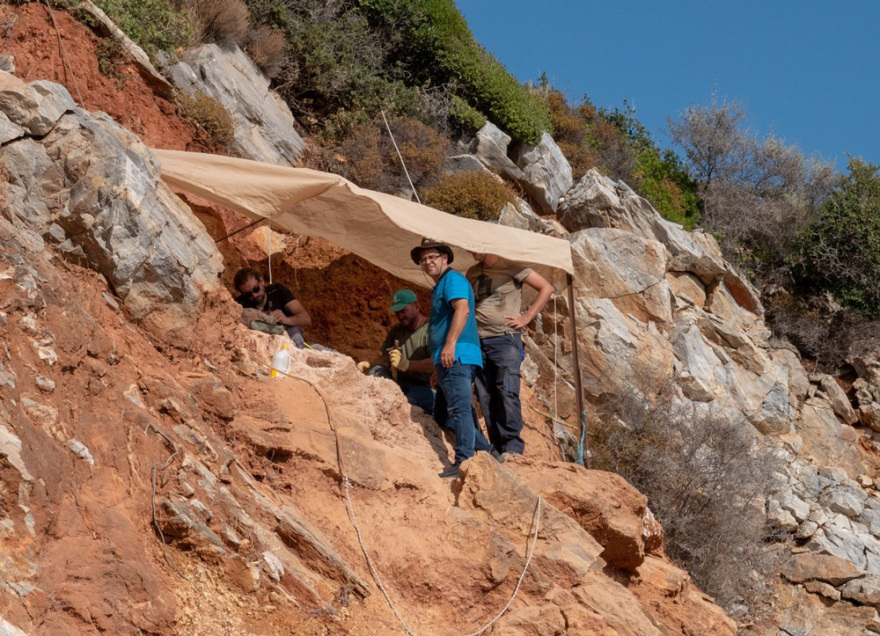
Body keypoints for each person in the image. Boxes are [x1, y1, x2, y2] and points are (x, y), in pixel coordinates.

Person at [411, 238, 496, 479]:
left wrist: (450, 345)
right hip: (447, 359)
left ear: (445, 258)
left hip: (457, 355)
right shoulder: (440, 285)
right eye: (424, 259)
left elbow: (463, 309)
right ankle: (488, 451)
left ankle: (463, 462)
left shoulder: (453, 279)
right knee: (444, 414)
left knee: (459, 409)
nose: (427, 262)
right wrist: (437, 366)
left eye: (432, 257)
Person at [466, 253, 554, 458]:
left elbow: (546, 287)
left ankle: (513, 447)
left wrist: (526, 317)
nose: (472, 251)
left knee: (505, 389)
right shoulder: (472, 272)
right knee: (485, 394)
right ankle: (497, 447)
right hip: (477, 340)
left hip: (504, 339)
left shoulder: (513, 267)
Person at [379, 289, 436, 414]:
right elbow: (385, 358)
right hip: (402, 383)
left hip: (425, 386)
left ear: (417, 306)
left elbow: (435, 364)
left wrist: (407, 364)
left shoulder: (431, 330)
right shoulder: (396, 331)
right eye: (397, 313)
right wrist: (375, 367)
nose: (400, 316)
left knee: (405, 404)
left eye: (403, 311)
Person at [233, 268, 312, 348]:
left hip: (289, 339)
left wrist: (287, 320)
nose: (254, 295)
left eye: (256, 289)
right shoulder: (239, 305)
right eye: (248, 295)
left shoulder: (277, 291)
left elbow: (306, 318)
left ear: (261, 281)